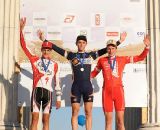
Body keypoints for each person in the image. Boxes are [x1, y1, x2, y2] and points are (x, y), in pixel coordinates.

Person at [38, 30, 127, 130]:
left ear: (86, 44)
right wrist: (44, 40)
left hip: (88, 88)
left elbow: (106, 50)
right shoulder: (71, 56)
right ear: (76, 44)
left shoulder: (91, 55)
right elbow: (57, 49)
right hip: (76, 88)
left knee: (88, 113)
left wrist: (119, 41)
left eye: (83, 42)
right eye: (79, 42)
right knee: (75, 112)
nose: (81, 44)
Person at [91, 35, 150, 130]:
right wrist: (82, 77)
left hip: (118, 92)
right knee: (108, 122)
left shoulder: (122, 59)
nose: (111, 50)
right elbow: (93, 73)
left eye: (113, 48)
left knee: (120, 121)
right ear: (107, 49)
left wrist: (147, 47)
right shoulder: (102, 60)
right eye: (109, 48)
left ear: (116, 49)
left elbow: (140, 58)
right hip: (107, 93)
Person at [20, 18, 62, 130]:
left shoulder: (55, 64)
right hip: (36, 92)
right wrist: (21, 30)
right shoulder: (35, 60)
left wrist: (58, 98)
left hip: (48, 93)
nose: (46, 52)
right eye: (44, 50)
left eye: (48, 50)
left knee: (46, 120)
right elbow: (24, 46)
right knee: (34, 119)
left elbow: (57, 82)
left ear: (51, 51)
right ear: (41, 50)